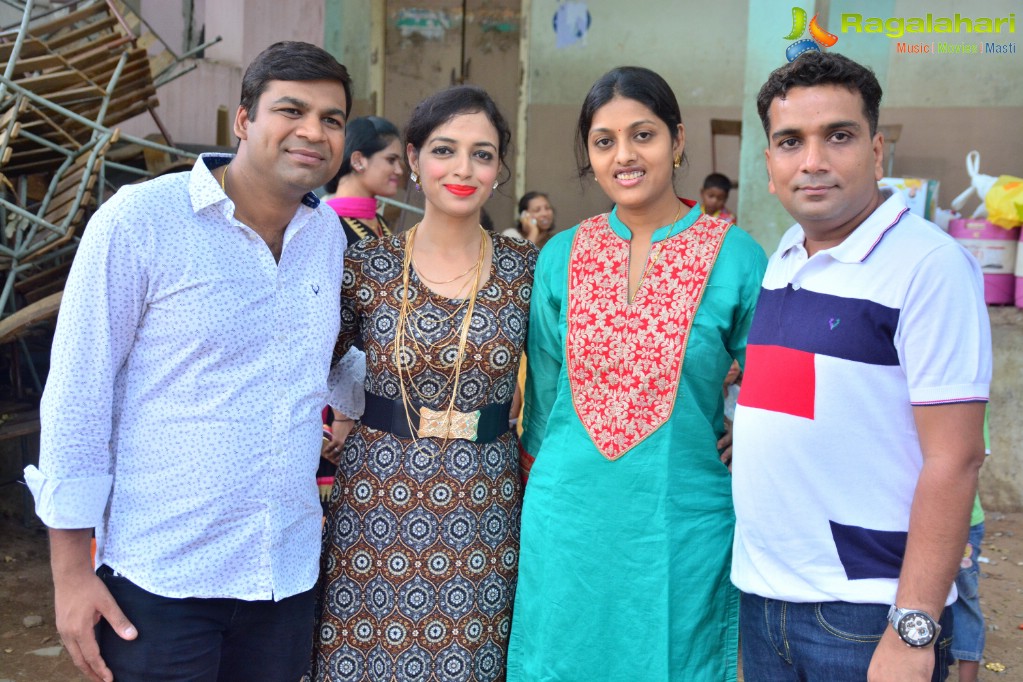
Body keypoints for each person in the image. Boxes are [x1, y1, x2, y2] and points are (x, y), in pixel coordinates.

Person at [22, 41, 359, 682]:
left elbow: (331, 358)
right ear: (243, 120)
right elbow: (77, 393)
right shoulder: (142, 221)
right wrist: (70, 576)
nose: (313, 132)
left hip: (282, 577)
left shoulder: (328, 238)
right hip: (161, 580)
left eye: (332, 119)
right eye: (291, 110)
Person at [731, 51, 991, 682]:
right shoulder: (785, 256)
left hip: (866, 616)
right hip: (765, 603)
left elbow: (955, 458)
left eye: (838, 136)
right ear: (770, 166)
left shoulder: (930, 267)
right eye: (791, 141)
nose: (813, 160)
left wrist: (914, 625)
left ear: (877, 153)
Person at [507, 66, 767, 681]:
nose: (624, 155)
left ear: (677, 142)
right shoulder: (560, 256)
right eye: (604, 141)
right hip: (568, 512)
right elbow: (542, 396)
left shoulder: (736, 255)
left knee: (675, 657)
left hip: (680, 515)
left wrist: (749, 429)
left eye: (642, 135)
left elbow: (773, 380)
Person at [311, 85, 537, 681]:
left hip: (483, 505)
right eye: (445, 150)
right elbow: (304, 365)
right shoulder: (368, 266)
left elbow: (572, 373)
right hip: (376, 503)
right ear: (413, 159)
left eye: (482, 154)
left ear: (498, 170)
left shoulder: (528, 272)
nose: (463, 169)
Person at [951, 407, 990, 682]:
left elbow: (971, 458)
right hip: (910, 519)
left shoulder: (969, 397)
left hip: (960, 522)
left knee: (963, 598)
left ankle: (968, 678)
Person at [323, 115, 403, 244]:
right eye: (391, 160)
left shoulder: (378, 221)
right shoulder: (324, 226)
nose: (399, 171)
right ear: (358, 161)